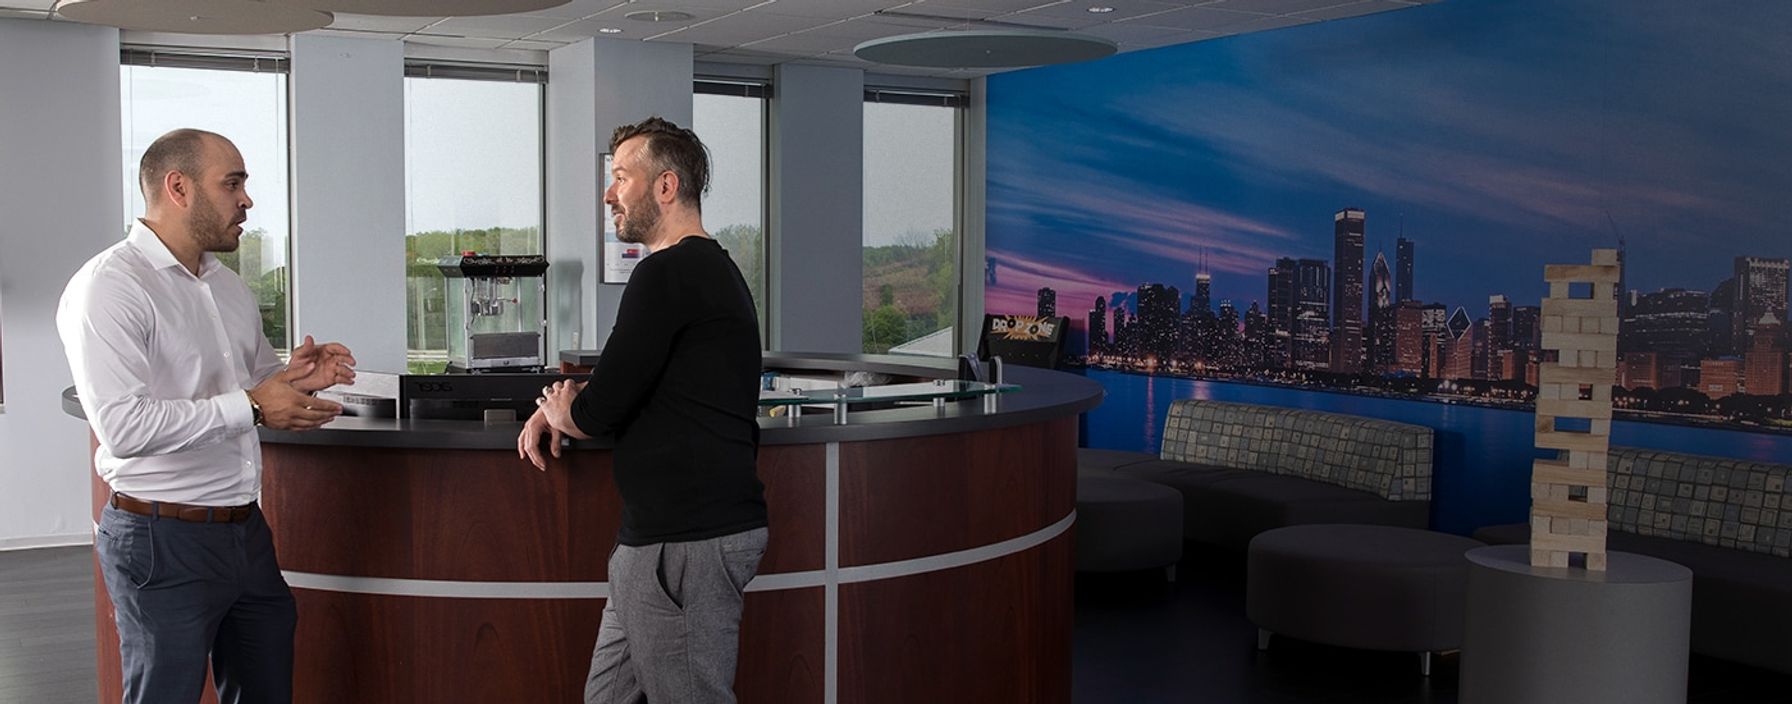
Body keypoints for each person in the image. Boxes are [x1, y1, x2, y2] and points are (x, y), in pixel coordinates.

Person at [57, 128, 356, 704]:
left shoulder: (228, 288)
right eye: (233, 183)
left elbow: (254, 387)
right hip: (159, 540)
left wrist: (294, 378)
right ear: (178, 188)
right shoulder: (109, 288)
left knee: (266, 690)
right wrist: (251, 403)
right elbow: (123, 427)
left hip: (245, 532)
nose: (246, 200)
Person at [517, 116, 768, 703]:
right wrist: (562, 402)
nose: (610, 193)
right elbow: (624, 381)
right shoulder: (710, 269)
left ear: (665, 187)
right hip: (657, 543)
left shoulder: (667, 273)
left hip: (685, 544)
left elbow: (597, 410)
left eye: (621, 177)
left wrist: (561, 409)